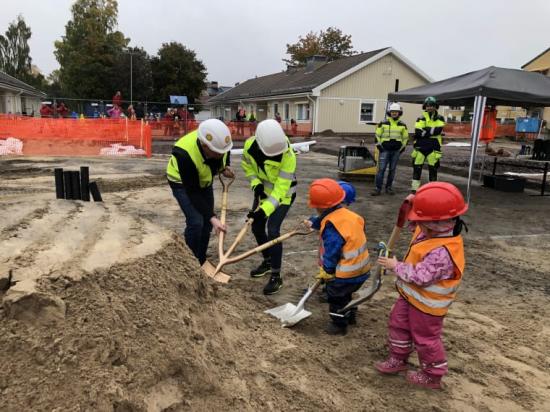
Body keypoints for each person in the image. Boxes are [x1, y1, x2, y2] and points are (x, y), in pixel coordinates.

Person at [375, 182, 468, 389]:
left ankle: (432, 374)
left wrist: (395, 266)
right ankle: (398, 358)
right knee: (398, 324)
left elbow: (422, 276)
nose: (418, 226)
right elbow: (415, 228)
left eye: (421, 221)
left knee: (425, 339)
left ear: (434, 223)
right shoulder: (431, 230)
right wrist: (412, 205)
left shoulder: (443, 250)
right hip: (410, 297)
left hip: (428, 306)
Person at [307, 178, 371, 335]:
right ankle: (351, 315)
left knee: (335, 296)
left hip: (346, 272)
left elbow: (332, 250)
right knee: (346, 294)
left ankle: (339, 324)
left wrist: (327, 270)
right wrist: (314, 223)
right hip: (362, 268)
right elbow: (339, 224)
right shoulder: (351, 216)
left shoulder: (332, 226)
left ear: (318, 206)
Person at [166, 119, 234, 265]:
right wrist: (212, 217)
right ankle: (190, 262)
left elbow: (224, 151)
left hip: (204, 180)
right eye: (217, 153)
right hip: (182, 183)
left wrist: (224, 167)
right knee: (197, 222)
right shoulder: (184, 154)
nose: (221, 154)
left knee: (208, 224)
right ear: (204, 146)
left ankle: (201, 260)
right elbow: (193, 192)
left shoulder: (218, 141)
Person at [241, 119, 297, 295]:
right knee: (256, 227)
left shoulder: (288, 155)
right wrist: (255, 183)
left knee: (273, 231)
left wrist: (263, 211)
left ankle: (276, 275)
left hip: (284, 196)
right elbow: (247, 167)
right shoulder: (250, 147)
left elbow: (281, 189)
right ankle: (267, 261)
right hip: (263, 193)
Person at [372, 103, 409, 196]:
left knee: (392, 170)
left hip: (396, 151)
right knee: (381, 170)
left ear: (399, 113)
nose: (394, 113)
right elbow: (377, 135)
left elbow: (405, 138)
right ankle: (377, 189)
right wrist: (379, 146)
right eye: (392, 111)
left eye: (396, 112)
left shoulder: (403, 124)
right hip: (384, 150)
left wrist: (402, 148)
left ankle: (389, 188)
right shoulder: (383, 123)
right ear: (389, 112)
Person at [410, 97, 446, 193]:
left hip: (434, 147)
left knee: (433, 170)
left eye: (432, 106)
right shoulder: (420, 118)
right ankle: (414, 190)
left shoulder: (440, 118)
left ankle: (432, 190)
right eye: (428, 105)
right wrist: (431, 132)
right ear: (425, 106)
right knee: (417, 169)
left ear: (435, 107)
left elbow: (438, 130)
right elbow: (418, 132)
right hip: (420, 147)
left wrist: (425, 131)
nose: (429, 107)